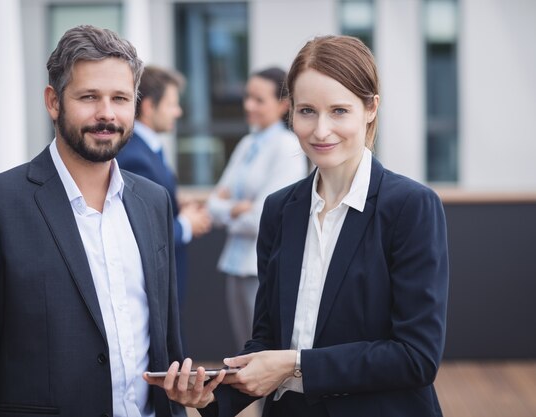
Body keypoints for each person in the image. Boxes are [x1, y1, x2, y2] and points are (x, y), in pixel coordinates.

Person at [146, 35, 450, 417]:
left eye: (339, 111)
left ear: (370, 109)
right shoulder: (279, 210)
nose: (321, 130)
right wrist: (212, 396)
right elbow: (268, 340)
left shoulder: (411, 207)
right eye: (307, 111)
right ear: (290, 112)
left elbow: (416, 356)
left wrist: (295, 364)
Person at [0, 25, 186, 417]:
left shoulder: (153, 201)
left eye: (120, 98)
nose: (106, 113)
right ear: (53, 102)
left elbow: (166, 342)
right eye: (89, 97)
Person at [207, 67, 307, 350]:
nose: (249, 105)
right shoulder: (247, 144)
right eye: (247, 97)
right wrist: (234, 209)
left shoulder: (287, 147)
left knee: (264, 354)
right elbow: (212, 206)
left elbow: (263, 218)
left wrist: (231, 209)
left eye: (259, 99)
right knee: (244, 352)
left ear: (283, 105)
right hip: (235, 264)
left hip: (261, 268)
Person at [116, 65, 211, 307]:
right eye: (171, 104)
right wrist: (186, 224)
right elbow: (143, 230)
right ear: (148, 106)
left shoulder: (149, 148)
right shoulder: (135, 156)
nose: (178, 112)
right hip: (152, 286)